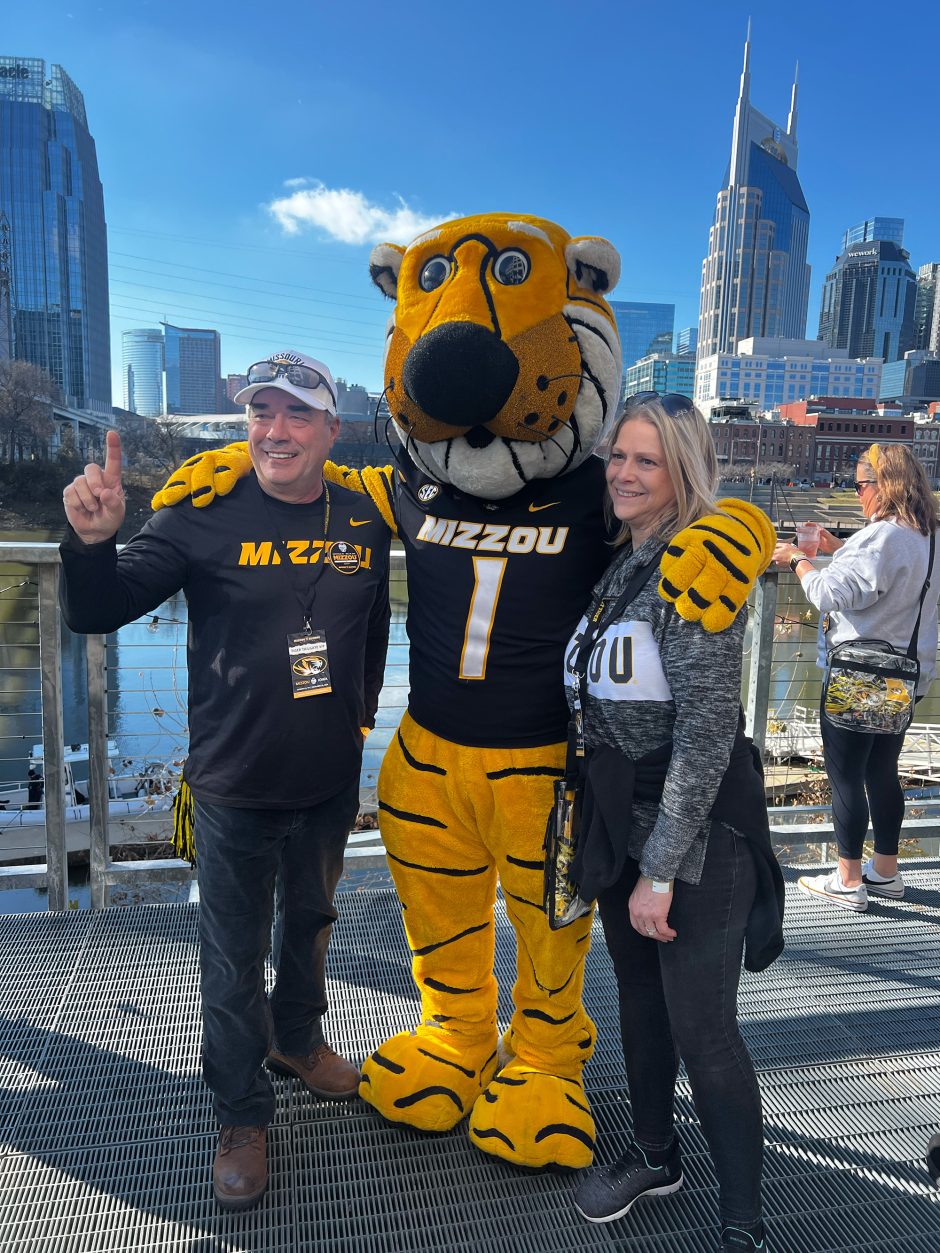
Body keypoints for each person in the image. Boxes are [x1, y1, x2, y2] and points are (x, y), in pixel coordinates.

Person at [58, 350, 391, 1210]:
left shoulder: (361, 514)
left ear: (331, 430)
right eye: (259, 413)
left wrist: (357, 715)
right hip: (234, 785)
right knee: (230, 959)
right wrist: (91, 543)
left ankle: (298, 1038)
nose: (273, 431)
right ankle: (242, 1112)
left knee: (312, 923)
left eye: (294, 415)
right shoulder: (200, 512)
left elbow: (373, 625)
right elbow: (97, 609)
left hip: (325, 780)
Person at [565, 394, 783, 1253]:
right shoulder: (626, 561)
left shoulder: (695, 570)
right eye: (617, 455)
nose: (622, 472)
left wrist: (660, 869)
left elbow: (705, 734)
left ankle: (743, 1223)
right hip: (625, 822)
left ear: (681, 470)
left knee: (704, 1028)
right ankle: (655, 1153)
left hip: (695, 836)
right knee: (640, 1003)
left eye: (645, 461)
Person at [772, 443, 939, 913]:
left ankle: (847, 880)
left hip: (860, 675)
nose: (858, 493)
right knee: (881, 771)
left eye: (861, 485)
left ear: (883, 486)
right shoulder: (929, 533)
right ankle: (885, 873)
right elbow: (892, 577)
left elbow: (827, 594)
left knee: (845, 775)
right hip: (907, 675)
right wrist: (838, 548)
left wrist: (797, 559)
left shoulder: (882, 536)